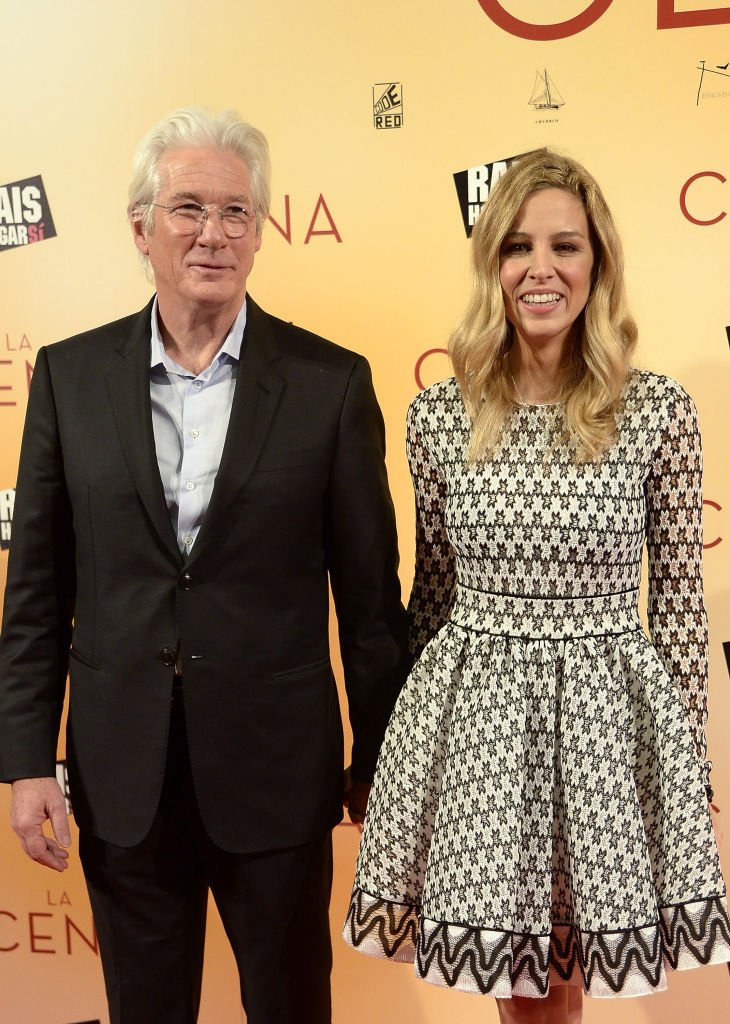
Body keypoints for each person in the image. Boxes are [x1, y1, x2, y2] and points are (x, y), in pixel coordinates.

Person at [0, 106, 408, 1024]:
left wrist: (379, 759)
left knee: (292, 1007)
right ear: (141, 227)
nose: (212, 234)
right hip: (120, 778)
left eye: (236, 213)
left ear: (262, 234)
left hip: (280, 778)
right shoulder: (69, 376)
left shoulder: (329, 384)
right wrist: (28, 761)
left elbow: (371, 603)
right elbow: (35, 591)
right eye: (188, 208)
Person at [343, 148, 730, 1022]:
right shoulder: (439, 415)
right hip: (479, 725)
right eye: (518, 247)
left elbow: (674, 601)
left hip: (607, 723)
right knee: (517, 989)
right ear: (493, 266)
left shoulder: (655, 410)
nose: (542, 269)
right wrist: (411, 757)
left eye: (567, 246)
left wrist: (684, 757)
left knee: (570, 981)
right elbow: (432, 594)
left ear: (599, 263)